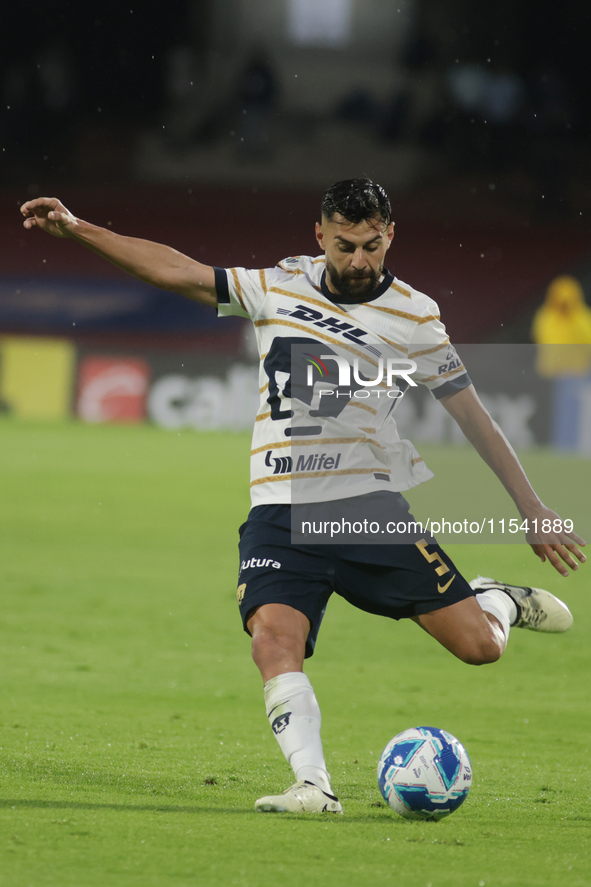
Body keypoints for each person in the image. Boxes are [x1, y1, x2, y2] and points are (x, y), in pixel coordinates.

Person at [21, 179, 586, 815]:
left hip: (367, 510)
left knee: (479, 648)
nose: (359, 260)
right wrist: (81, 228)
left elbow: (472, 415)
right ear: (320, 235)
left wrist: (531, 506)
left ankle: (495, 602)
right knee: (272, 640)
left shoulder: (415, 315)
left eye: (372, 245)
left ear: (390, 235)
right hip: (279, 511)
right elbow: (180, 273)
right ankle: (313, 786)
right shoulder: (276, 286)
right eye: (345, 245)